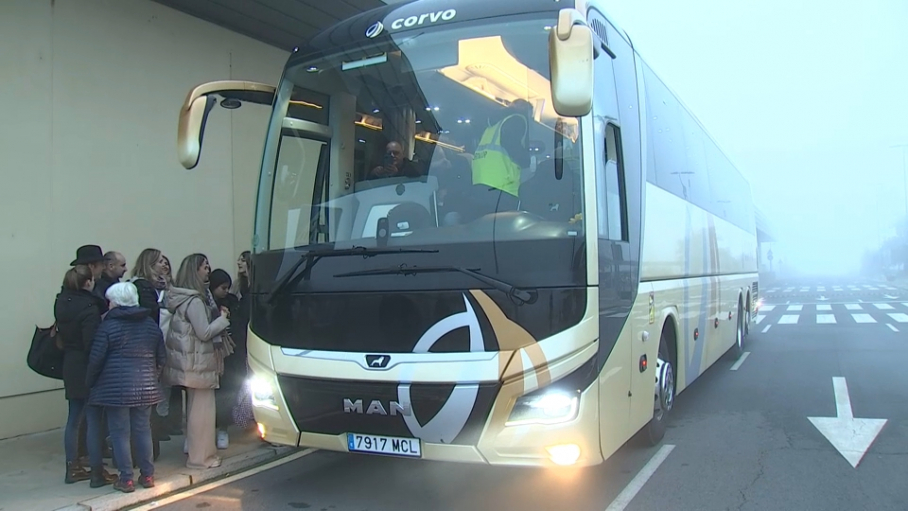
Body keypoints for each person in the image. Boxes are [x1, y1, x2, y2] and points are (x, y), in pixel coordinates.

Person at [86, 282, 166, 493]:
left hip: (116, 389)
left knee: (120, 433)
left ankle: (126, 478)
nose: (109, 304)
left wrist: (91, 382)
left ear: (117, 303)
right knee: (143, 430)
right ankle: (148, 475)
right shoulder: (150, 324)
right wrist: (153, 378)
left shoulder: (108, 326)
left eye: (110, 301)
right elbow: (161, 357)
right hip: (146, 387)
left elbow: (96, 359)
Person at [164, 254, 231, 469]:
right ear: (195, 271)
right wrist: (222, 320)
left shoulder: (183, 298)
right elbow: (204, 332)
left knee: (196, 411)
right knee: (202, 413)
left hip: (191, 361)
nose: (208, 270)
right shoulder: (194, 301)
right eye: (204, 266)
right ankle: (202, 458)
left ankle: (199, 455)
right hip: (198, 362)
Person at [54, 265, 117, 487]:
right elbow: (92, 344)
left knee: (73, 419)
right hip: (87, 365)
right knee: (93, 420)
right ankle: (97, 472)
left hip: (69, 363)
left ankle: (72, 466)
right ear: (88, 283)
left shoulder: (61, 302)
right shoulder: (89, 307)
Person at [470, 99, 533, 217]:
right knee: (504, 225)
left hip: (481, 179)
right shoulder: (517, 119)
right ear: (526, 110)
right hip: (502, 183)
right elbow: (511, 144)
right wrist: (525, 161)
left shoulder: (493, 124)